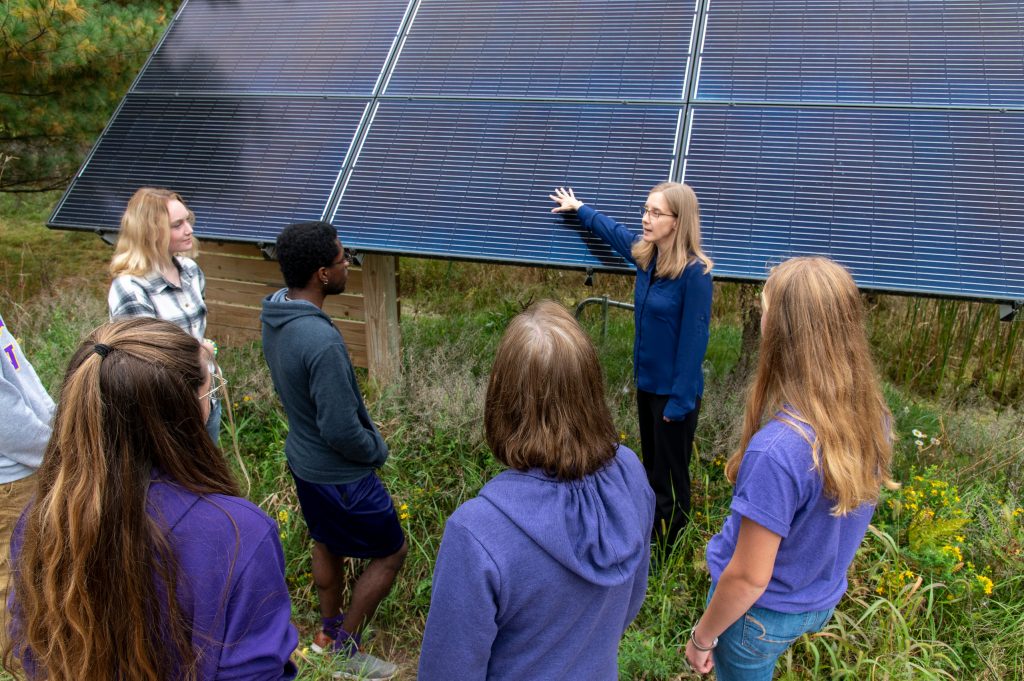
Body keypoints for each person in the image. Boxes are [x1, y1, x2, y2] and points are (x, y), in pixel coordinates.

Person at [2, 317, 297, 680]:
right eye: (210, 390)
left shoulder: (40, 521)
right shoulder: (241, 535)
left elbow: (35, 652)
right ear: (188, 410)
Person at [684, 257, 898, 679]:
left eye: (765, 313)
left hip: (757, 616)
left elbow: (747, 577)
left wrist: (701, 638)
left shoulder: (777, 451)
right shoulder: (874, 418)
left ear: (783, 332)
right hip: (816, 599)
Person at [418, 301, 655, 681]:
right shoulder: (630, 473)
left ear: (502, 397)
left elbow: (447, 670)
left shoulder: (477, 532)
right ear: (591, 389)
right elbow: (631, 601)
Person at [261, 221, 407, 681]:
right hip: (341, 476)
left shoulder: (276, 312)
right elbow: (341, 429)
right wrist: (375, 450)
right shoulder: (320, 341)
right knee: (391, 552)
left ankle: (325, 634)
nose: (349, 264)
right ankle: (344, 649)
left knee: (326, 541)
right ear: (323, 274)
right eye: (343, 258)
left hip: (304, 463)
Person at [550, 184, 713, 545]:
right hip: (647, 385)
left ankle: (669, 553)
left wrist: (681, 402)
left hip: (674, 395)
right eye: (646, 209)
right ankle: (654, 536)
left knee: (672, 477)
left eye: (656, 213)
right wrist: (580, 209)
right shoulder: (647, 257)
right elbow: (616, 233)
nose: (646, 218)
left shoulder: (695, 275)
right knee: (654, 469)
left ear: (677, 221)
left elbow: (694, 343)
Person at [108, 187, 221, 443]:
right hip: (167, 413)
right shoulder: (130, 287)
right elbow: (142, 361)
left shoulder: (191, 271)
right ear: (150, 232)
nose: (189, 230)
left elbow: (196, 334)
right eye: (177, 225)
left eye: (188, 221)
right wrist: (201, 353)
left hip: (206, 398)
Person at [0, 312, 54, 611]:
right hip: (10, 480)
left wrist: (56, 424)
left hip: (28, 464)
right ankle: (18, 659)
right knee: (12, 589)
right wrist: (56, 450)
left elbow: (21, 376)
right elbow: (5, 418)